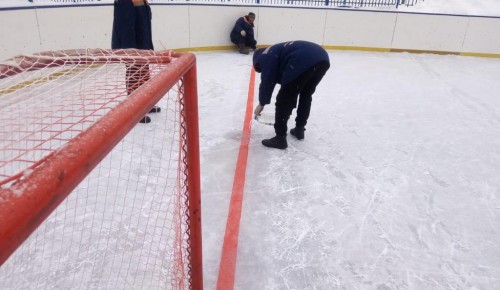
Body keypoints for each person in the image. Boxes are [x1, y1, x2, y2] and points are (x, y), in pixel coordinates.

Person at [253, 41, 330, 149]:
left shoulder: (265, 56)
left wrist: (262, 103)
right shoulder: (275, 51)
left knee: (284, 99)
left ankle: (280, 138)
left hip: (302, 60)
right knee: (306, 94)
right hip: (322, 58)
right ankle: (299, 129)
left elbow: (267, 80)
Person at [112, 0, 160, 123]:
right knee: (134, 72)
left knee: (144, 71)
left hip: (142, 42)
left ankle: (145, 104)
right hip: (132, 44)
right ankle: (135, 108)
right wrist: (130, 50)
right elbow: (124, 27)